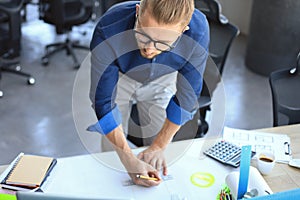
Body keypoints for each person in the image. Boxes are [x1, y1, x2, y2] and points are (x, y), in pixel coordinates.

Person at [88, 0, 209, 187]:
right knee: (112, 155)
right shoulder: (108, 28)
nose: (150, 49)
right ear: (138, 11)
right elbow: (103, 102)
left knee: (158, 151)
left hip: (164, 76)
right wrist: (128, 159)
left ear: (184, 30)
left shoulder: (198, 31)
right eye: (144, 35)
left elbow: (187, 96)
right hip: (121, 77)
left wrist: (159, 146)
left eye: (163, 43)